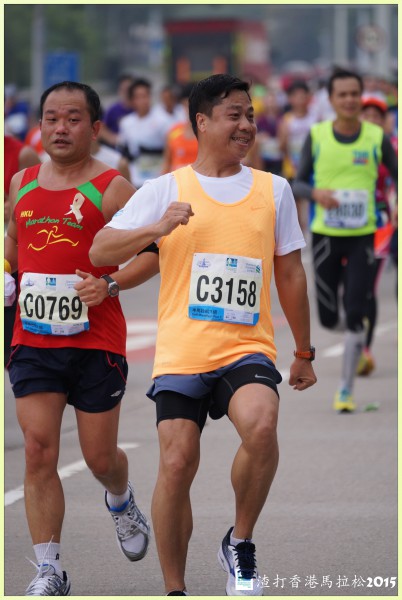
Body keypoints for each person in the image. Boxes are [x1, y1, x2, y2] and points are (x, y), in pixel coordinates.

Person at [90, 74, 317, 596]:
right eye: (234, 115)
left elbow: (290, 273)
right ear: (203, 122)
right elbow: (101, 248)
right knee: (176, 463)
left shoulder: (274, 189)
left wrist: (303, 351)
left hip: (246, 348)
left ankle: (239, 541)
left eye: (250, 115)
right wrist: (156, 228)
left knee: (262, 426)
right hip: (182, 352)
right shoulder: (164, 190)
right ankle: (175, 587)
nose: (246, 125)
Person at [4, 81, 159, 596]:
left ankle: (120, 498)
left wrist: (110, 284)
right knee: (37, 450)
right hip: (33, 339)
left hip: (96, 342)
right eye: (51, 118)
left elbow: (154, 252)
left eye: (73, 119)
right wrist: (5, 270)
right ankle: (49, 568)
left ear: (94, 128)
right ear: (39, 126)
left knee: (99, 458)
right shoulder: (23, 182)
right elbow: (13, 242)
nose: (60, 128)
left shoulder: (112, 188)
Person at [292, 68, 398, 413]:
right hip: (326, 236)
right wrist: (316, 193)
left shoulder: (376, 137)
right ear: (332, 99)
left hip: (363, 237)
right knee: (327, 316)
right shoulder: (318, 135)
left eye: (355, 94)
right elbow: (298, 182)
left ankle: (345, 389)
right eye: (343, 95)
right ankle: (354, 336)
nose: (350, 100)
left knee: (354, 310)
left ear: (360, 97)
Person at [356, 96, 397, 375]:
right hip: (343, 226)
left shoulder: (390, 147)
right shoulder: (344, 144)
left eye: (376, 116)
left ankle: (364, 350)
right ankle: (354, 332)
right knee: (348, 287)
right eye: (366, 115)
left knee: (368, 287)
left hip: (380, 223)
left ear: (384, 122)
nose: (371, 120)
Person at [4, 135, 41, 366]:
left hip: (12, 255)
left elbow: (41, 203)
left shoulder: (22, 155)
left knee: (12, 352)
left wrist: (11, 207)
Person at [117, 78, 173, 188]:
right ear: (132, 100)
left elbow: (170, 149)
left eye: (145, 96)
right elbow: (124, 150)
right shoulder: (126, 123)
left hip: (158, 176)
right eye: (138, 97)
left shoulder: (163, 121)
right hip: (135, 178)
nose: (143, 101)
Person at [160, 83, 198, 174]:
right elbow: (166, 163)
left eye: (194, 105)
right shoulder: (174, 132)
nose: (190, 109)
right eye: (187, 105)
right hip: (176, 180)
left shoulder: (209, 134)